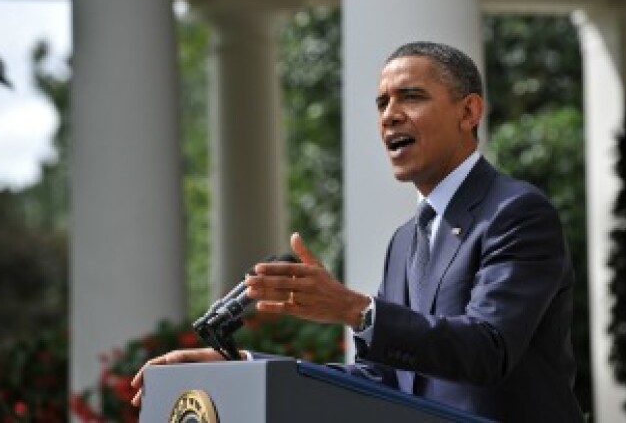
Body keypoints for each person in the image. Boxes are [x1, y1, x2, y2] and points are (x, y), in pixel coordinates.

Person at [131, 41, 584, 422]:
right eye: (382, 103)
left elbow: (488, 349)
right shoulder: (407, 239)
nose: (390, 115)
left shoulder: (516, 212)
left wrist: (357, 310)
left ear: (469, 111)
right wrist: (242, 367)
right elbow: (382, 381)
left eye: (411, 96)